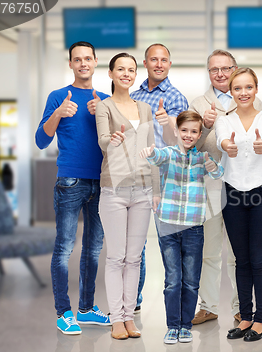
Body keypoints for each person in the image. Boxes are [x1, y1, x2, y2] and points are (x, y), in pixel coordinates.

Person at [35, 41, 111, 334]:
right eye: (77, 59)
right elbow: (41, 141)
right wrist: (59, 113)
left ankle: (87, 309)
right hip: (70, 181)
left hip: (101, 182)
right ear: (71, 64)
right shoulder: (58, 97)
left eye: (88, 59)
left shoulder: (104, 99)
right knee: (65, 247)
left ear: (95, 62)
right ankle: (63, 313)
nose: (83, 63)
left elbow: (119, 142)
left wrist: (101, 114)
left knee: (93, 250)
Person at [188, 49, 262, 325]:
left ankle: (241, 306)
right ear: (208, 73)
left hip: (241, 186)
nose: (220, 73)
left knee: (238, 251)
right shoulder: (198, 103)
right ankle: (208, 306)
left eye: (225, 68)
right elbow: (189, 146)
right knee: (210, 249)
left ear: (235, 69)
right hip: (208, 185)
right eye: (214, 69)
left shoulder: (252, 101)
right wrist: (206, 127)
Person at [139, 111, 224, 344]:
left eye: (193, 132)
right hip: (167, 226)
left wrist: (210, 163)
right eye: (184, 130)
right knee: (173, 279)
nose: (188, 135)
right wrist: (150, 152)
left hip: (194, 227)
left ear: (199, 135)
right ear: (176, 131)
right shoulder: (168, 153)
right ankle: (172, 325)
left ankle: (186, 325)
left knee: (191, 280)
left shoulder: (201, 157)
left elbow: (219, 172)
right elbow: (156, 157)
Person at [95, 53, 160, 340]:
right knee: (116, 258)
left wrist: (157, 189)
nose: (126, 73)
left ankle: (129, 316)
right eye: (120, 69)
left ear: (136, 74)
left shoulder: (144, 108)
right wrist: (114, 139)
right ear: (110, 73)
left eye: (131, 70)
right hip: (114, 189)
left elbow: (152, 150)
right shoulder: (104, 107)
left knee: (134, 258)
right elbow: (102, 142)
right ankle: (116, 319)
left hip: (144, 189)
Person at [216, 68, 262, 342]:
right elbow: (222, 142)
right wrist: (227, 147)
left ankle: (260, 320)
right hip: (233, 194)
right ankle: (244, 317)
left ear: (256, 89)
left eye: (248, 87)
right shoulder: (224, 120)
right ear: (231, 91)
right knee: (240, 260)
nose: (243, 93)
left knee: (258, 259)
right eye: (237, 88)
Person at [130, 43, 189, 312]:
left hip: (165, 180)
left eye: (164, 60)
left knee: (170, 245)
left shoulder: (176, 98)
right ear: (146, 63)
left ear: (169, 64)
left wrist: (167, 122)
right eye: (154, 59)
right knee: (136, 244)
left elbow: (179, 140)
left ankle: (175, 307)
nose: (159, 64)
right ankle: (134, 302)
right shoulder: (132, 95)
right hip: (135, 176)